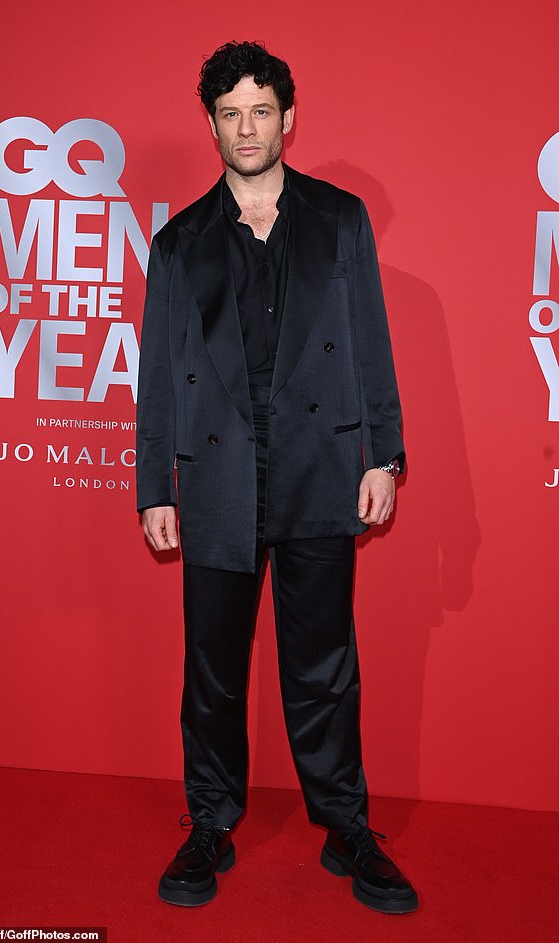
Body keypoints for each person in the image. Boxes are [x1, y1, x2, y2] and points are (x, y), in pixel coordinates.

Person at [136, 40, 417, 914]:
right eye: (230, 113)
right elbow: (154, 374)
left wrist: (383, 452)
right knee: (213, 667)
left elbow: (370, 340)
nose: (247, 127)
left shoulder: (341, 220)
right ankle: (212, 820)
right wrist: (154, 484)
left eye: (261, 110)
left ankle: (345, 826)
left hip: (320, 467)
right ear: (212, 126)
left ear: (288, 120)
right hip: (217, 475)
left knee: (323, 664)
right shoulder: (179, 243)